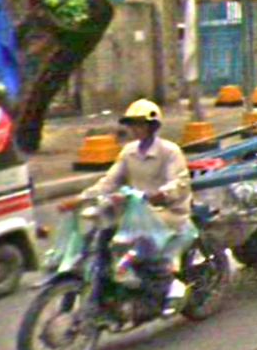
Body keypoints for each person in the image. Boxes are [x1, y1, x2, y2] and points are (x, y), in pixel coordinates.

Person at [60, 98, 195, 316]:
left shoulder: (170, 151)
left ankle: (170, 284)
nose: (135, 129)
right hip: (136, 211)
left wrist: (160, 195)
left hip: (168, 211)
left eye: (140, 124)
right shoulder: (128, 152)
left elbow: (178, 183)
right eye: (132, 124)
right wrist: (82, 198)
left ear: (152, 126)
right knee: (104, 232)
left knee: (143, 241)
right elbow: (109, 182)